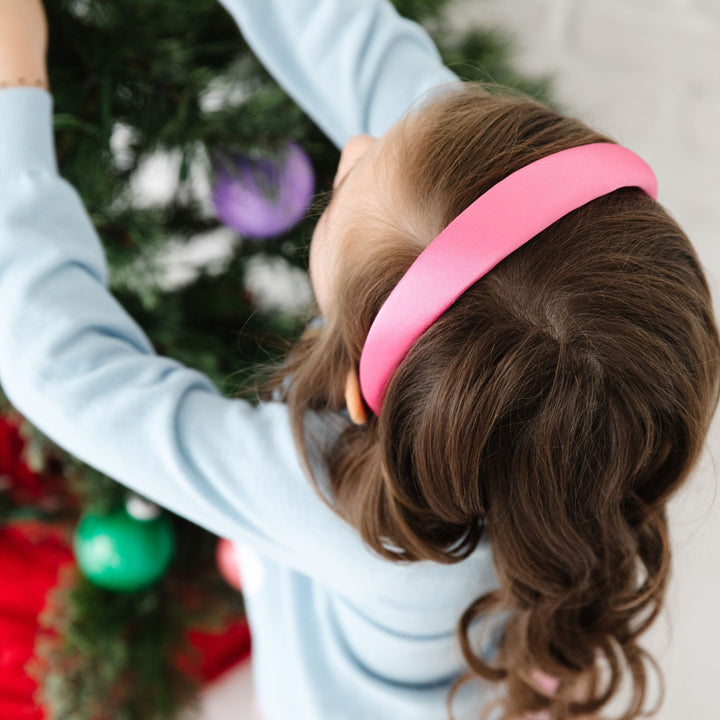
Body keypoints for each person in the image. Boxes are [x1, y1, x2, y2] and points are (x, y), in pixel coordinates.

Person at [0, 1, 718, 719]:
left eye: (340, 192)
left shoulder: (343, 511)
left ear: (356, 395)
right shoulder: (597, 394)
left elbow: (60, 361)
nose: (358, 146)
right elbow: (369, 59)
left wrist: (15, 85)